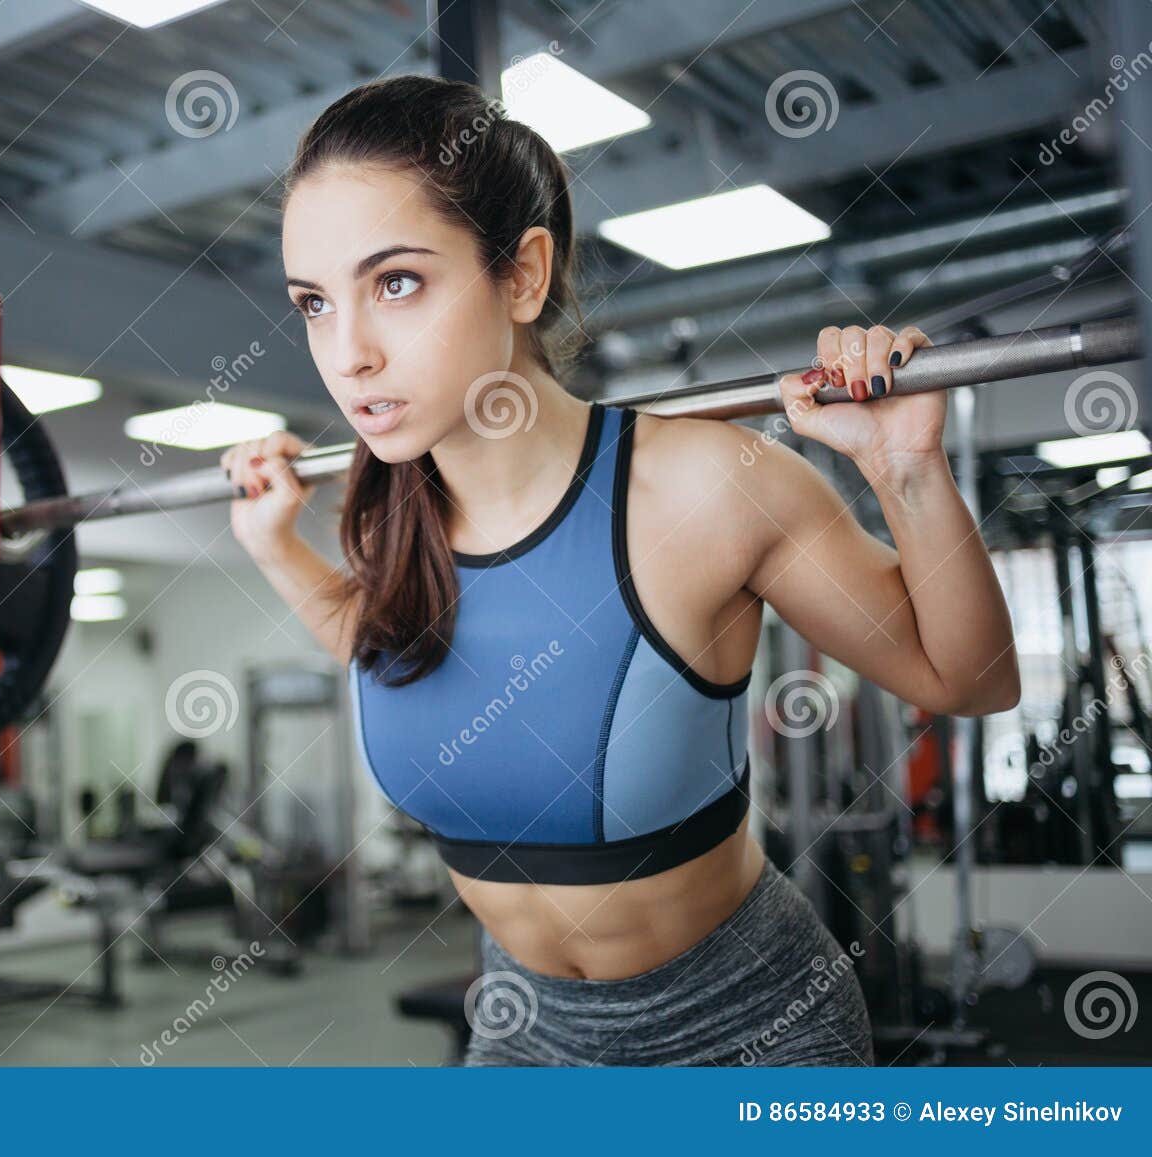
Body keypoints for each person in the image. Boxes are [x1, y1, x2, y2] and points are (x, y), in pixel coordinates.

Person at [220, 75, 1019, 1067]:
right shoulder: (394, 519)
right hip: (522, 1031)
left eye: (395, 283)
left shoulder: (707, 486)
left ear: (520, 275)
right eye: (312, 302)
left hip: (746, 1032)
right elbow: (393, 651)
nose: (348, 354)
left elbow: (972, 679)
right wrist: (274, 547)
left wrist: (906, 472)